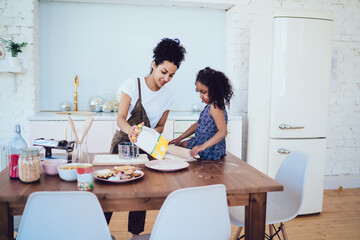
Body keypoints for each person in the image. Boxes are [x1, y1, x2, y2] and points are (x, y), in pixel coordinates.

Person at [107, 38, 186, 236]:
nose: (166, 78)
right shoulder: (133, 85)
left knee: (140, 193)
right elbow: (120, 119)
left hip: (146, 147)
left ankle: (135, 235)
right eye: (163, 72)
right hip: (123, 146)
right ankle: (98, 231)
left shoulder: (168, 97)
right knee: (109, 193)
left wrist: (149, 133)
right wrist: (131, 130)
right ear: (154, 65)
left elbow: (160, 126)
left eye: (172, 75)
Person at [169, 67, 233, 160]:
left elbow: (223, 132)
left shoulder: (215, 107)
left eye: (203, 92)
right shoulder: (210, 106)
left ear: (215, 90)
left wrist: (203, 146)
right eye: (198, 91)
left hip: (209, 148)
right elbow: (199, 123)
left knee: (177, 149)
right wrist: (180, 137)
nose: (200, 96)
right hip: (199, 142)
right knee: (179, 145)